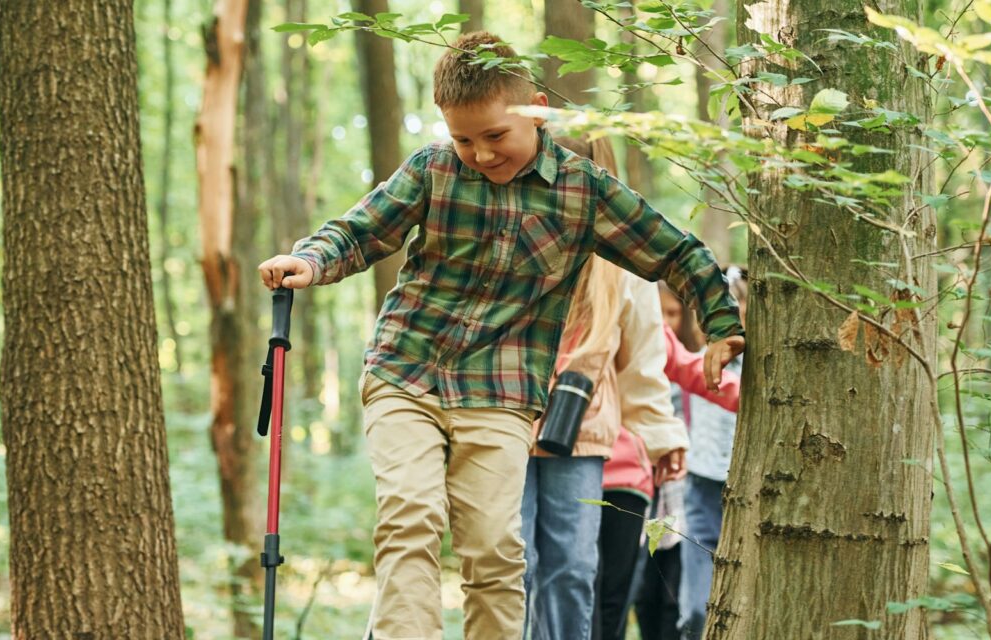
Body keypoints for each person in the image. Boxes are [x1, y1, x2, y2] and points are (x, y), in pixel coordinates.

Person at [256, 30, 745, 639]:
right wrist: (310, 260)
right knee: (411, 518)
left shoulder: (582, 190)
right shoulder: (433, 170)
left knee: (495, 550)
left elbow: (677, 252)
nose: (481, 155)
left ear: (535, 109)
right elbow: (359, 232)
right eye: (464, 139)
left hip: (504, 389)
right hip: (407, 371)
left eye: (494, 136)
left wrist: (722, 323)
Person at [519, 134, 687, 640]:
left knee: (572, 568)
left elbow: (642, 360)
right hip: (505, 421)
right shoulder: (510, 235)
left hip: (582, 432)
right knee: (513, 563)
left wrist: (661, 435)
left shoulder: (624, 261)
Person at [602, 289, 742, 640]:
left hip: (628, 473)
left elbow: (688, 367)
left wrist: (763, 393)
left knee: (613, 598)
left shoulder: (638, 306)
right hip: (560, 460)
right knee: (567, 582)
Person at [677, 268, 747, 640]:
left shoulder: (763, 365)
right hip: (701, 484)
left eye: (739, 305)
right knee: (695, 608)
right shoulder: (696, 358)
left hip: (747, 486)